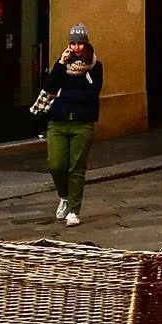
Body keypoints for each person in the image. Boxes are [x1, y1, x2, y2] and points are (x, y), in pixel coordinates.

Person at [38, 24, 102, 226]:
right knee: (56, 165)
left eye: (80, 43)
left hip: (82, 122)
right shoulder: (63, 63)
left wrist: (63, 95)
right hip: (58, 121)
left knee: (76, 167)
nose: (76, 47)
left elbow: (91, 94)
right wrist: (59, 64)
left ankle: (74, 210)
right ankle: (63, 196)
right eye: (73, 43)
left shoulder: (94, 65)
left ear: (86, 43)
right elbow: (49, 87)